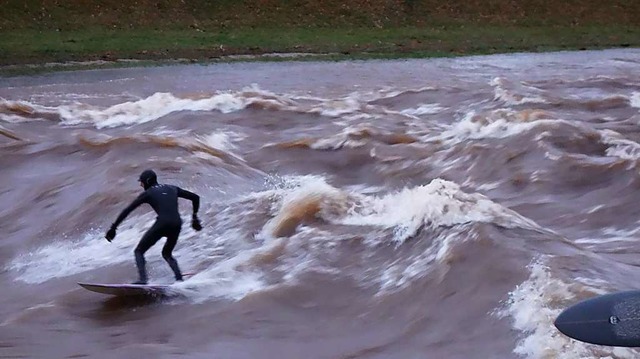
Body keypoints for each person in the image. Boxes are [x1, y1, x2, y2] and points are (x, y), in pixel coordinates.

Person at [105, 169, 202, 284]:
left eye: (142, 182)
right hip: (177, 224)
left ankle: (143, 280)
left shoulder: (148, 193)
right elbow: (196, 197)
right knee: (167, 253)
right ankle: (179, 281)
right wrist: (194, 217)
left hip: (163, 223)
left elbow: (127, 210)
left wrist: (113, 228)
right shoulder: (172, 188)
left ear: (148, 181)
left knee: (139, 251)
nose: (141, 185)